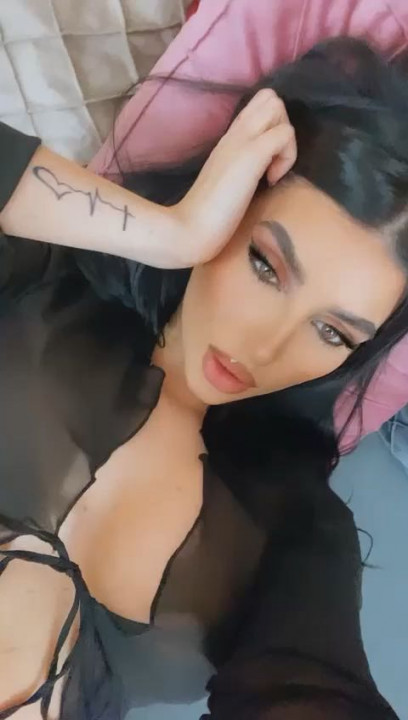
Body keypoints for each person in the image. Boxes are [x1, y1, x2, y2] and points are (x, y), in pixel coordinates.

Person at [0, 37, 406, 719]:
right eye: (266, 265)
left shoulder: (294, 530)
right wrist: (172, 232)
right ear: (232, 203)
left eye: (333, 333)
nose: (265, 347)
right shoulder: (46, 279)